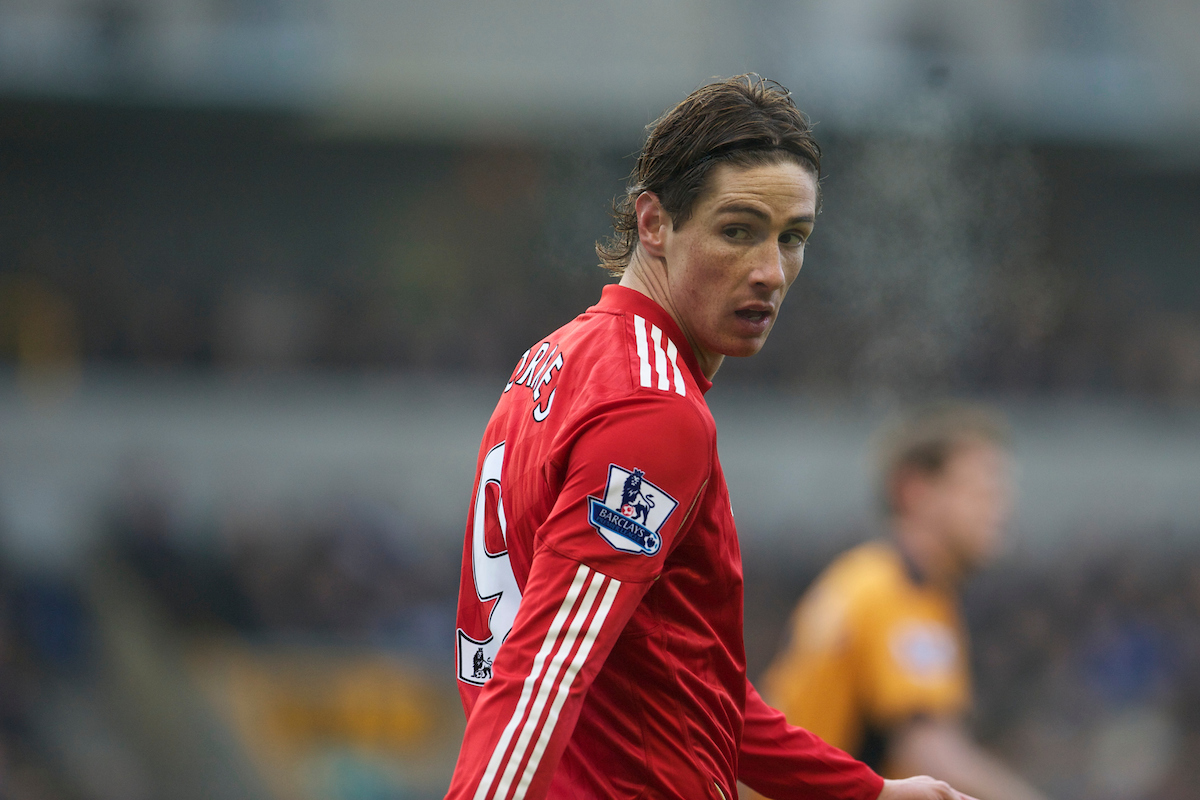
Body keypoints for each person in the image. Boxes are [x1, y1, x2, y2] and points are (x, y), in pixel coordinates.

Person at [445, 75, 975, 800]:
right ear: (655, 223)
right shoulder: (654, 409)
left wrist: (869, 792)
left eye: (793, 239)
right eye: (738, 230)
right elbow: (546, 669)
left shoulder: (558, 358)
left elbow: (691, 685)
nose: (770, 272)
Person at [760, 404, 1051, 800]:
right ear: (916, 491)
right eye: (982, 488)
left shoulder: (868, 577)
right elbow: (929, 752)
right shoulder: (897, 593)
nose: (999, 507)